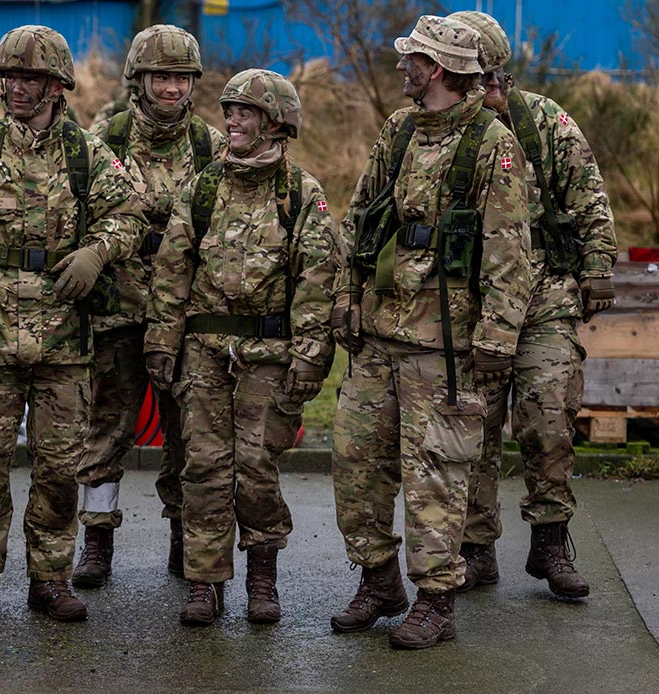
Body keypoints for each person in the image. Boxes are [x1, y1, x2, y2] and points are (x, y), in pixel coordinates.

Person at [329, 15, 532, 649]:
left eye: (412, 59)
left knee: (435, 477)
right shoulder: (398, 130)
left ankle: (436, 600)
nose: (401, 67)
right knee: (353, 462)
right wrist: (345, 293)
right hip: (380, 334)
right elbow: (362, 216)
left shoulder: (491, 143)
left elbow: (510, 254)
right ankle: (379, 580)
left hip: (445, 346)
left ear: (439, 69)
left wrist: (496, 341)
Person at [0, 25, 143, 622]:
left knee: (57, 472)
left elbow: (130, 213)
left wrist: (98, 250)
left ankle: (49, 577)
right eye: (10, 77)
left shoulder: (87, 155)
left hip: (65, 343)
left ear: (57, 86)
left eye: (30, 78)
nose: (18, 88)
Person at [145, 69, 336, 626]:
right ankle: (204, 582)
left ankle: (261, 576)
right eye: (228, 111)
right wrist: (162, 341)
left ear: (275, 122)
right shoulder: (203, 188)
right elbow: (171, 271)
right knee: (203, 467)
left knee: (255, 467)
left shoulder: (301, 194)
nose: (231, 121)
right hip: (204, 352)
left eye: (244, 113)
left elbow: (317, 283)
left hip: (269, 356)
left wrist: (308, 358)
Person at [448, 10, 617, 599]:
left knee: (549, 419)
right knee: (473, 427)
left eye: (489, 78)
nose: (484, 90)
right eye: (473, 78)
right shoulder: (444, 128)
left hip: (545, 296)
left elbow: (590, 197)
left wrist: (597, 269)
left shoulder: (546, 122)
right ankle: (475, 549)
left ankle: (550, 544)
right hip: (472, 301)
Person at [74, 24, 226, 588]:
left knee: (189, 432)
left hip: (186, 316)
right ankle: (96, 538)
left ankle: (184, 536)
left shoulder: (212, 146)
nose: (170, 88)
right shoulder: (104, 139)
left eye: (181, 77)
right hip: (117, 308)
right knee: (105, 427)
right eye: (160, 76)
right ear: (138, 79)